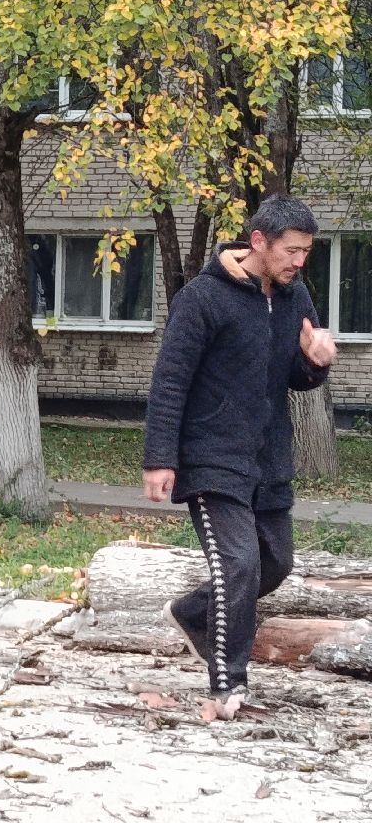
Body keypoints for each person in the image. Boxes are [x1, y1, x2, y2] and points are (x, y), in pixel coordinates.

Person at [143, 195, 337, 713]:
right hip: (210, 458)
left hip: (268, 459)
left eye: (306, 252)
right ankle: (229, 683)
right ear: (258, 242)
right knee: (238, 563)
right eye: (291, 250)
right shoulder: (203, 299)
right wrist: (160, 457)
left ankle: (192, 612)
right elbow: (169, 383)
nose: (299, 262)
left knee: (273, 564)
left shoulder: (296, 298)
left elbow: (297, 377)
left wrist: (316, 363)